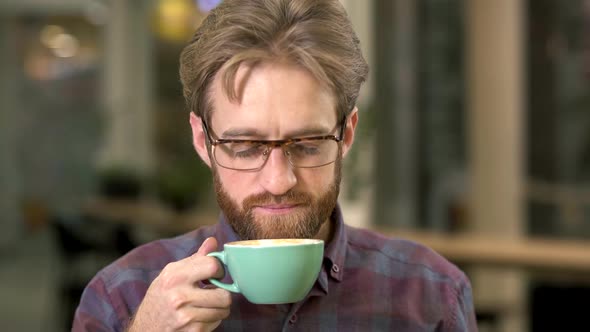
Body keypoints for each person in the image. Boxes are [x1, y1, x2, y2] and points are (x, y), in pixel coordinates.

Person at [73, 0, 478, 331]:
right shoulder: (120, 296)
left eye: (306, 144)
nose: (279, 181)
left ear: (347, 134)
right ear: (203, 140)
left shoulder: (433, 296)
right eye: (245, 146)